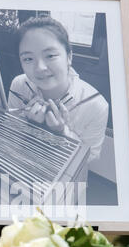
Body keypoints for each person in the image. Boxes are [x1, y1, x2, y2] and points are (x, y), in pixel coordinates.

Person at [8, 16, 109, 163]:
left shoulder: (96, 105)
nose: (40, 68)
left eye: (50, 55)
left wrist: (62, 133)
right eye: (28, 59)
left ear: (69, 56)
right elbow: (11, 131)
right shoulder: (19, 84)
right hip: (23, 161)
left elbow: (90, 157)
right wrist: (28, 124)